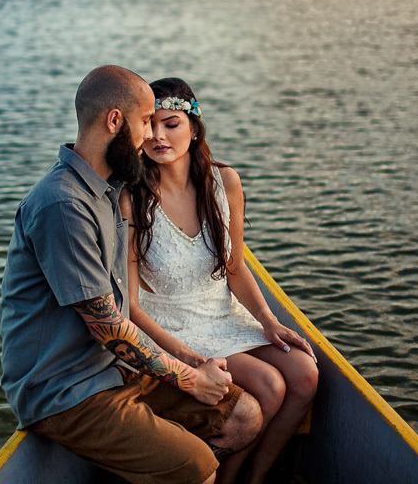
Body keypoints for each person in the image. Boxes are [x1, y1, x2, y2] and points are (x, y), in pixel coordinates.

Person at [0, 65, 262, 484]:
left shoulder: (108, 189)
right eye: (144, 123)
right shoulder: (63, 206)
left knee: (244, 416)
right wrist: (192, 380)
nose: (150, 137)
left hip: (114, 368)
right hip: (68, 390)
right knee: (198, 467)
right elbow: (109, 328)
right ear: (115, 121)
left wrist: (192, 360)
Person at [123, 78, 319, 484]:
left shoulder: (224, 181)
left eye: (171, 123)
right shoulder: (133, 198)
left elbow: (235, 266)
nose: (159, 135)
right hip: (171, 327)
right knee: (270, 385)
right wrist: (189, 360)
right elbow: (131, 305)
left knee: (304, 374)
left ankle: (254, 477)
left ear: (194, 128)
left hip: (223, 315)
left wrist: (267, 320)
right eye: (151, 125)